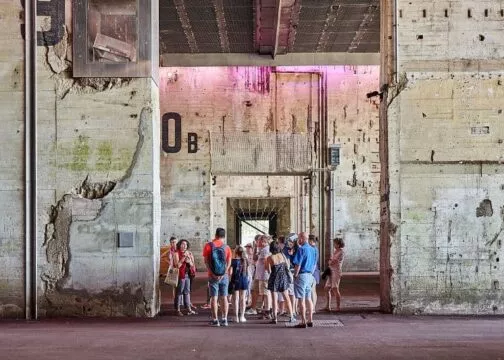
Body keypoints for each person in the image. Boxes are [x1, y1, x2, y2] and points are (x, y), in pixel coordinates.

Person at [203, 227, 232, 327]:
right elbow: (229, 262)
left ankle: (215, 320)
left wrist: (212, 273)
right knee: (224, 297)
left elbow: (206, 262)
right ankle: (224, 319)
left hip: (212, 275)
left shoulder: (208, 246)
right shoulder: (226, 247)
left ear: (215, 235)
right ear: (224, 236)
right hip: (224, 276)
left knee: (214, 298)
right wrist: (224, 273)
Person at [266, 241, 295, 324]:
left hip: (274, 278)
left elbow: (268, 270)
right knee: (287, 298)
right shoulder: (282, 255)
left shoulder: (270, 258)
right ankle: (292, 316)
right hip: (283, 277)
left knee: (274, 299)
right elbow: (287, 265)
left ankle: (274, 318)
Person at [292, 232, 317, 328]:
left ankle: (303, 321)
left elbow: (298, 264)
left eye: (299, 238)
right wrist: (310, 274)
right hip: (310, 275)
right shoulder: (313, 249)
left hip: (302, 275)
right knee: (309, 298)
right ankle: (310, 320)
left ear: (302, 238)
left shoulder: (301, 249)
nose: (298, 240)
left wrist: (295, 275)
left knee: (301, 300)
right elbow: (314, 264)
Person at [247, 235, 272, 318]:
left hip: (263, 276)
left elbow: (266, 262)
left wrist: (268, 272)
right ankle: (255, 308)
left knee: (265, 293)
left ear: (263, 242)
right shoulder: (261, 249)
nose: (257, 242)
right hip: (259, 275)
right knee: (255, 290)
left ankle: (267, 311)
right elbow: (255, 259)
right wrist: (255, 248)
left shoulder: (265, 250)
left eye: (258, 241)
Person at [172, 239, 197, 316]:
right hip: (180, 275)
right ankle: (178, 309)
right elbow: (177, 266)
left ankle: (188, 309)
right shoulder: (176, 254)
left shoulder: (189, 253)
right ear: (179, 245)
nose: (184, 246)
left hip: (187, 275)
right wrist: (183, 258)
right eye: (183, 244)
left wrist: (189, 261)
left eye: (186, 244)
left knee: (187, 292)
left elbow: (192, 265)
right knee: (179, 292)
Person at [230, 246, 249, 323]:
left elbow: (230, 273)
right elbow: (247, 271)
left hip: (235, 280)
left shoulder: (233, 261)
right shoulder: (245, 260)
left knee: (235, 299)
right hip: (244, 279)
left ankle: (236, 317)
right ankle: (242, 316)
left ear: (236, 252)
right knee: (243, 299)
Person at [325, 237, 345, 312]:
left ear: (339, 244)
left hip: (336, 272)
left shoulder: (341, 252)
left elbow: (333, 261)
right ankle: (328, 306)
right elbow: (330, 260)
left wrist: (330, 261)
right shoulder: (335, 251)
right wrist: (330, 261)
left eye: (335, 243)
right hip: (331, 271)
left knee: (335, 288)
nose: (334, 245)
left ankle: (338, 307)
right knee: (326, 288)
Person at [309, 235, 321, 314]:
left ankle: (312, 308)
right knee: (313, 290)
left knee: (312, 290)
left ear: (310, 240)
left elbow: (314, 262)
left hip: (313, 271)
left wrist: (311, 272)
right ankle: (312, 307)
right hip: (315, 271)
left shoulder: (313, 249)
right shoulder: (315, 248)